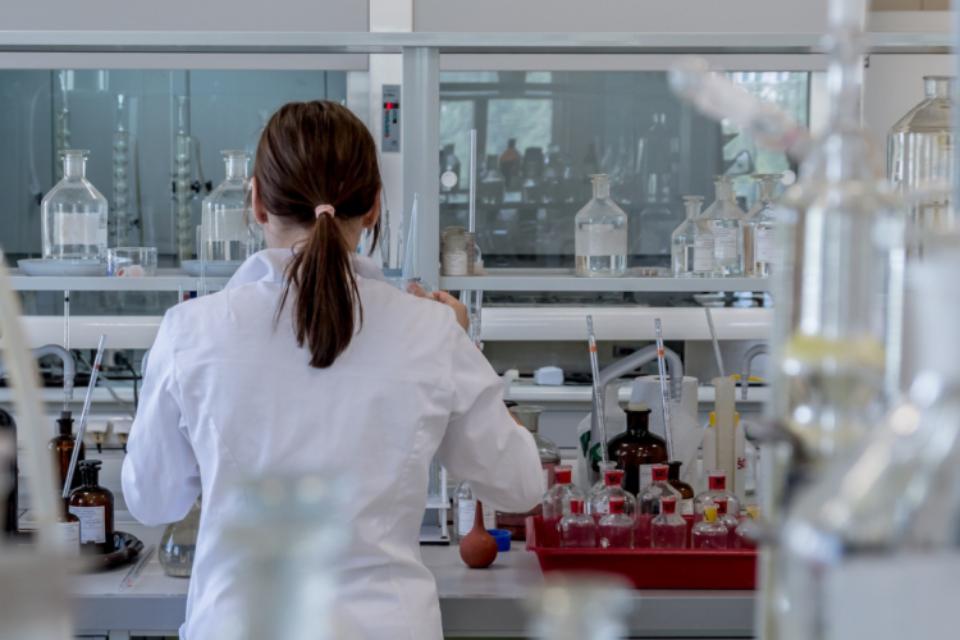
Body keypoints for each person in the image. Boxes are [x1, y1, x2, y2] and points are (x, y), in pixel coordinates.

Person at [121, 101, 544, 639]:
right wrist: (464, 344)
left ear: (256, 201)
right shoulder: (432, 331)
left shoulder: (191, 331)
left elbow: (153, 500)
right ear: (372, 207)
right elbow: (521, 486)